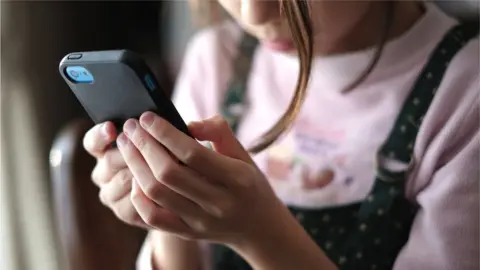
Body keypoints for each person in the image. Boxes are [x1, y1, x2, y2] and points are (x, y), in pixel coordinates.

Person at [82, 1, 479, 269]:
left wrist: (259, 234)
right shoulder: (218, 61)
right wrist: (167, 212)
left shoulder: (464, 93)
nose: (255, 12)